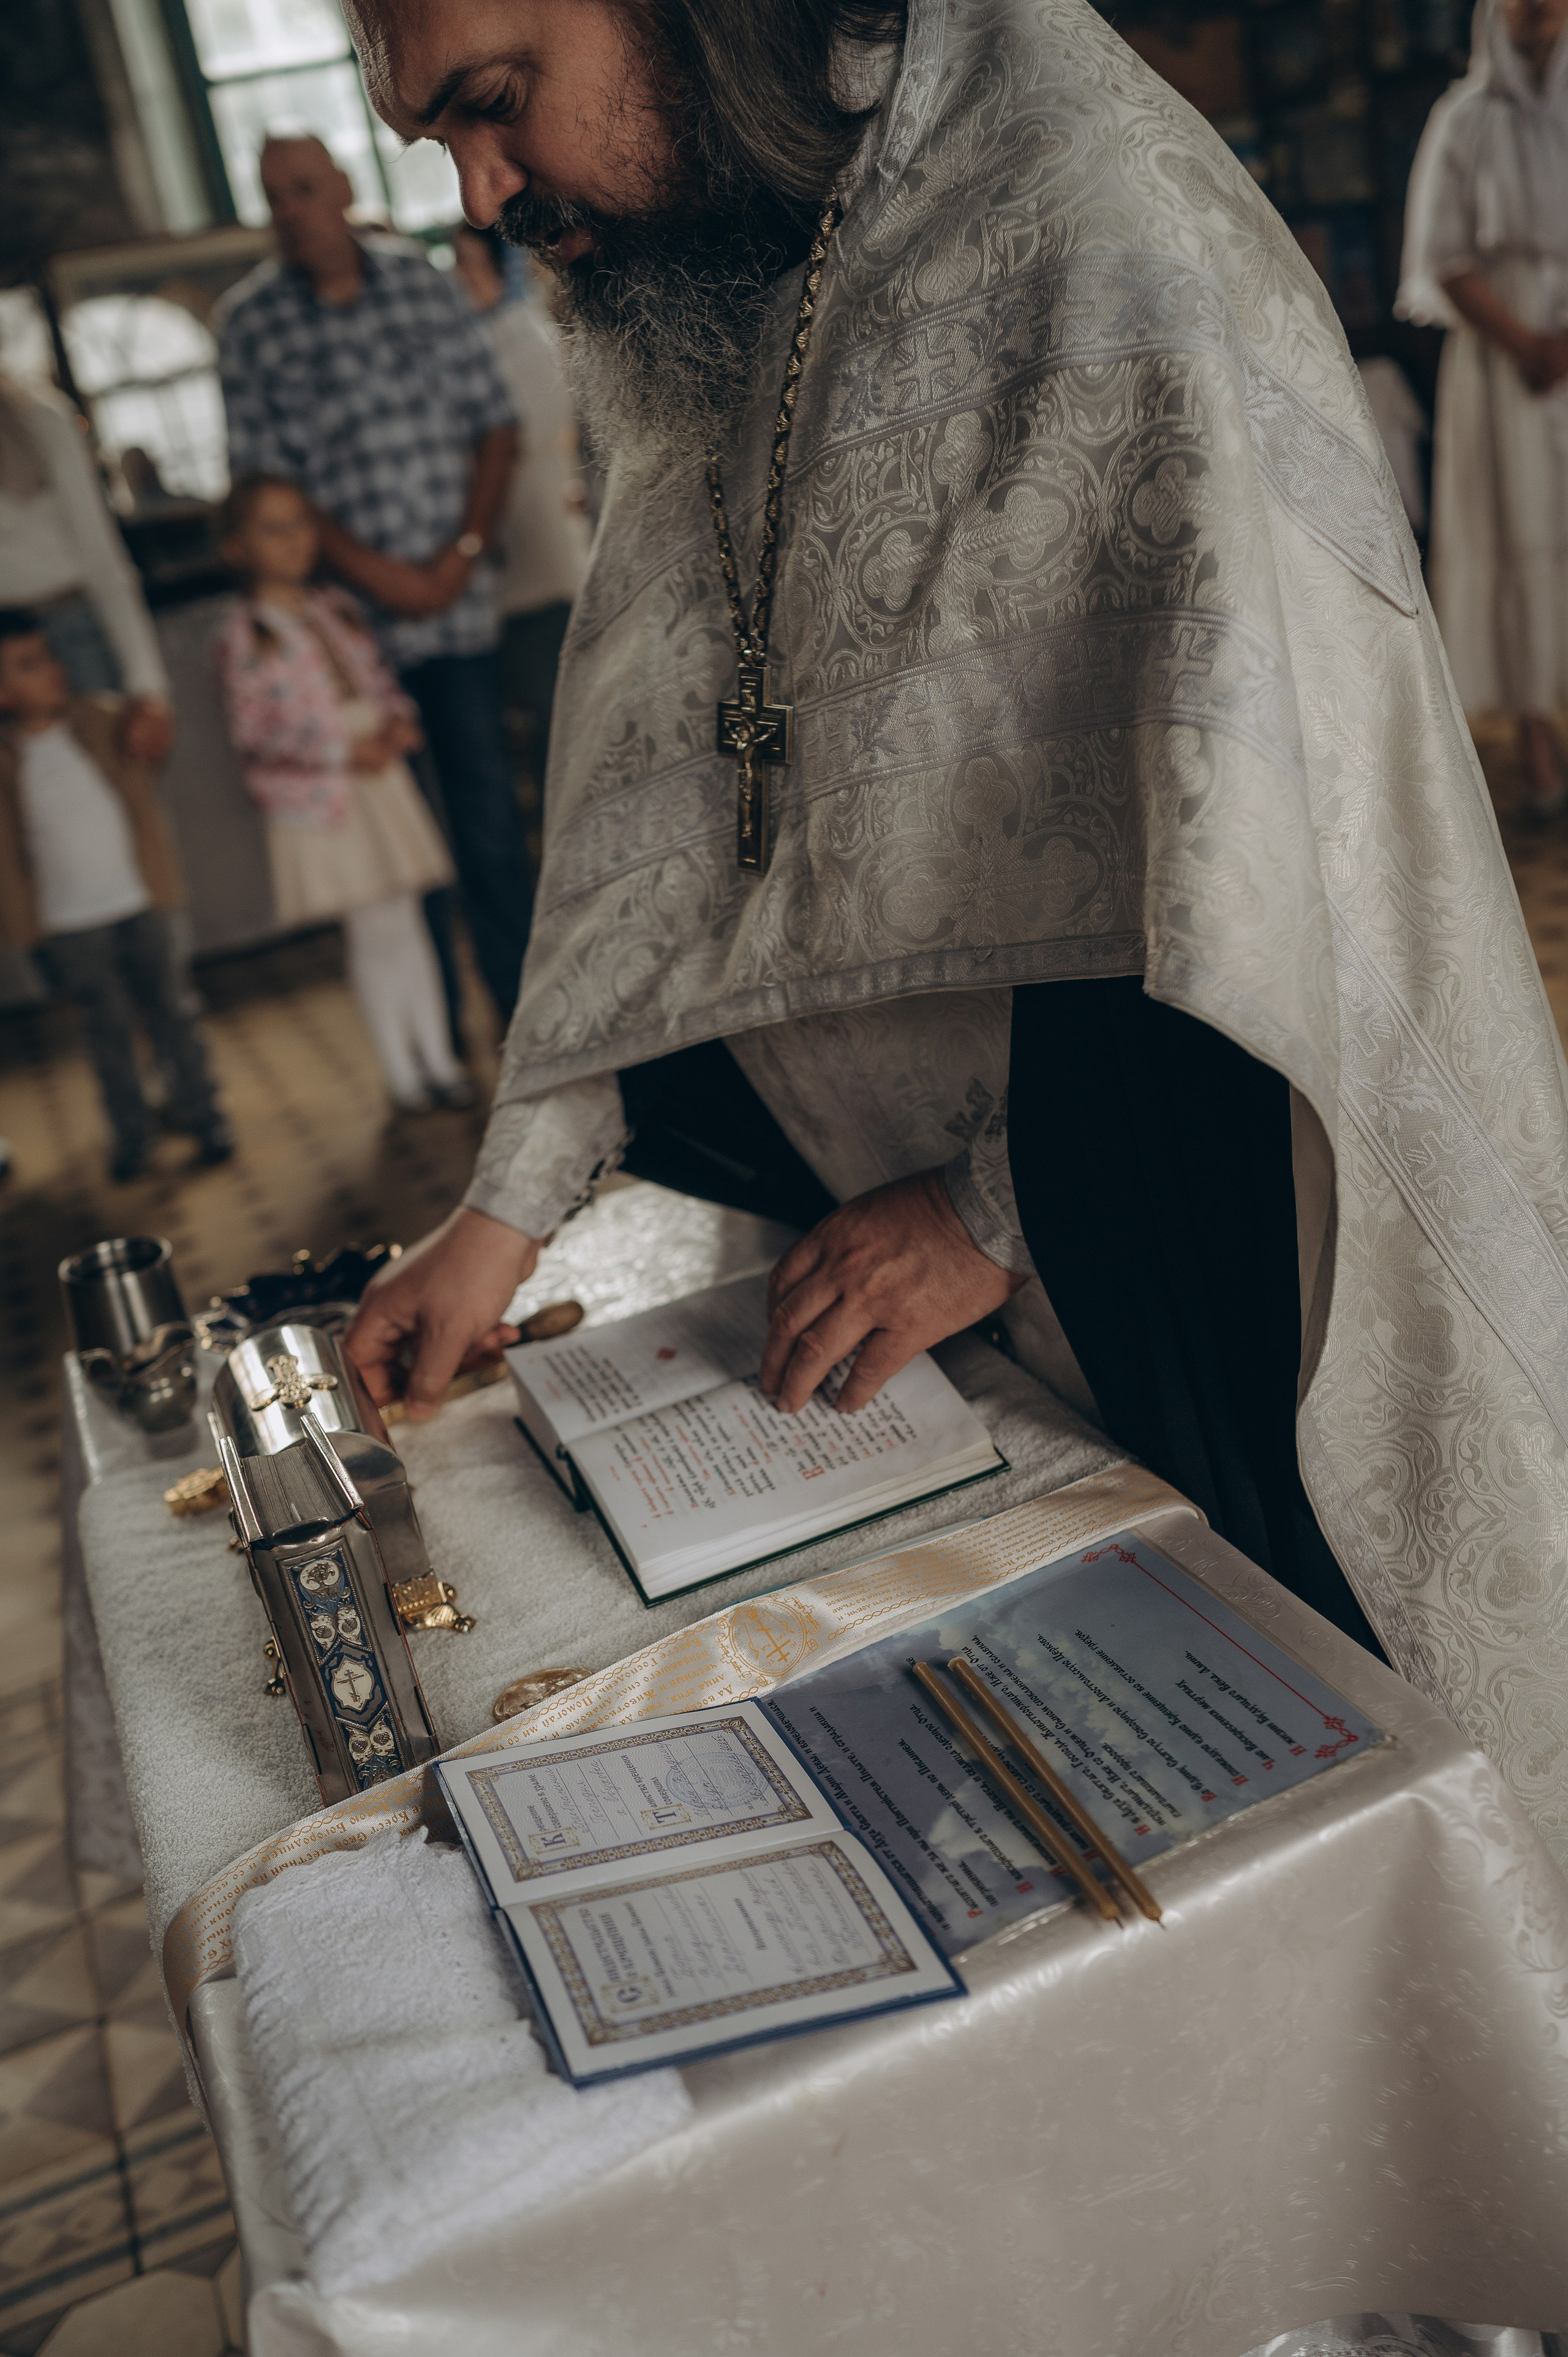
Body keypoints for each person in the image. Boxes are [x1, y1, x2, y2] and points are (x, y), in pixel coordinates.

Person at [341, 0, 1568, 1861]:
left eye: (493, 107)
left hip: (1190, 1247)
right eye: (436, 140)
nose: (485, 187)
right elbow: (664, 784)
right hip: (913, 1313)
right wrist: (507, 1205)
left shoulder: (1092, 224)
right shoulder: (735, 268)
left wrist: (995, 1208)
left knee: (1324, 1833)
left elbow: (1259, 856)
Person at [216, 135, 533, 1032]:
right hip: (349, 641)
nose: (293, 210)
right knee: (402, 843)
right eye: (275, 195)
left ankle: (524, 1016)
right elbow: (268, 493)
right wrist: (386, 579)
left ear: (346, 188)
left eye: (308, 189)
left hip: (459, 608)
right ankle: (434, 1031)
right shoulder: (251, 326)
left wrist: (459, 555)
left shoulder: (422, 284)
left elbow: (496, 428)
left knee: (489, 828)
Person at [213, 473, 475, 1114]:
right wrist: (340, 750)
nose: (294, 540)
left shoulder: (337, 608)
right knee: (373, 929)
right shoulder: (246, 635)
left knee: (411, 919)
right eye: (273, 528)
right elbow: (257, 734)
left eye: (301, 523)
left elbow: (376, 681)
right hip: (327, 792)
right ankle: (401, 1072)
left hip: (377, 772)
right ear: (237, 547)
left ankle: (439, 1058)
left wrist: (396, 719)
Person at [1398, 0, 1568, 815]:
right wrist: (1530, 345)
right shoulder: (1461, 120)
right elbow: (1443, 256)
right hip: (1505, 361)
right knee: (1521, 531)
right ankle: (1539, 745)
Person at [0, 609, 230, 1180]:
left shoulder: (104, 721)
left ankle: (204, 1116)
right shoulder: (7, 763)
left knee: (175, 1013)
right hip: (70, 923)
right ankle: (132, 1137)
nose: (51, 671)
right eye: (29, 665)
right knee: (106, 1034)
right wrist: (29, 931)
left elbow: (148, 759)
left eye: (49, 656)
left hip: (139, 902)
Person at [450, 225, 592, 809]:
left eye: (468, 267)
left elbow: (520, 447)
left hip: (543, 570)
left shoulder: (521, 339)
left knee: (559, 726)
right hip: (514, 574)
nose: (457, 283)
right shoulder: (480, 342)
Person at [0, 376, 173, 755]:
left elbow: (102, 555)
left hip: (71, 634)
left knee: (120, 784)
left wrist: (147, 686)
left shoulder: (39, 419)